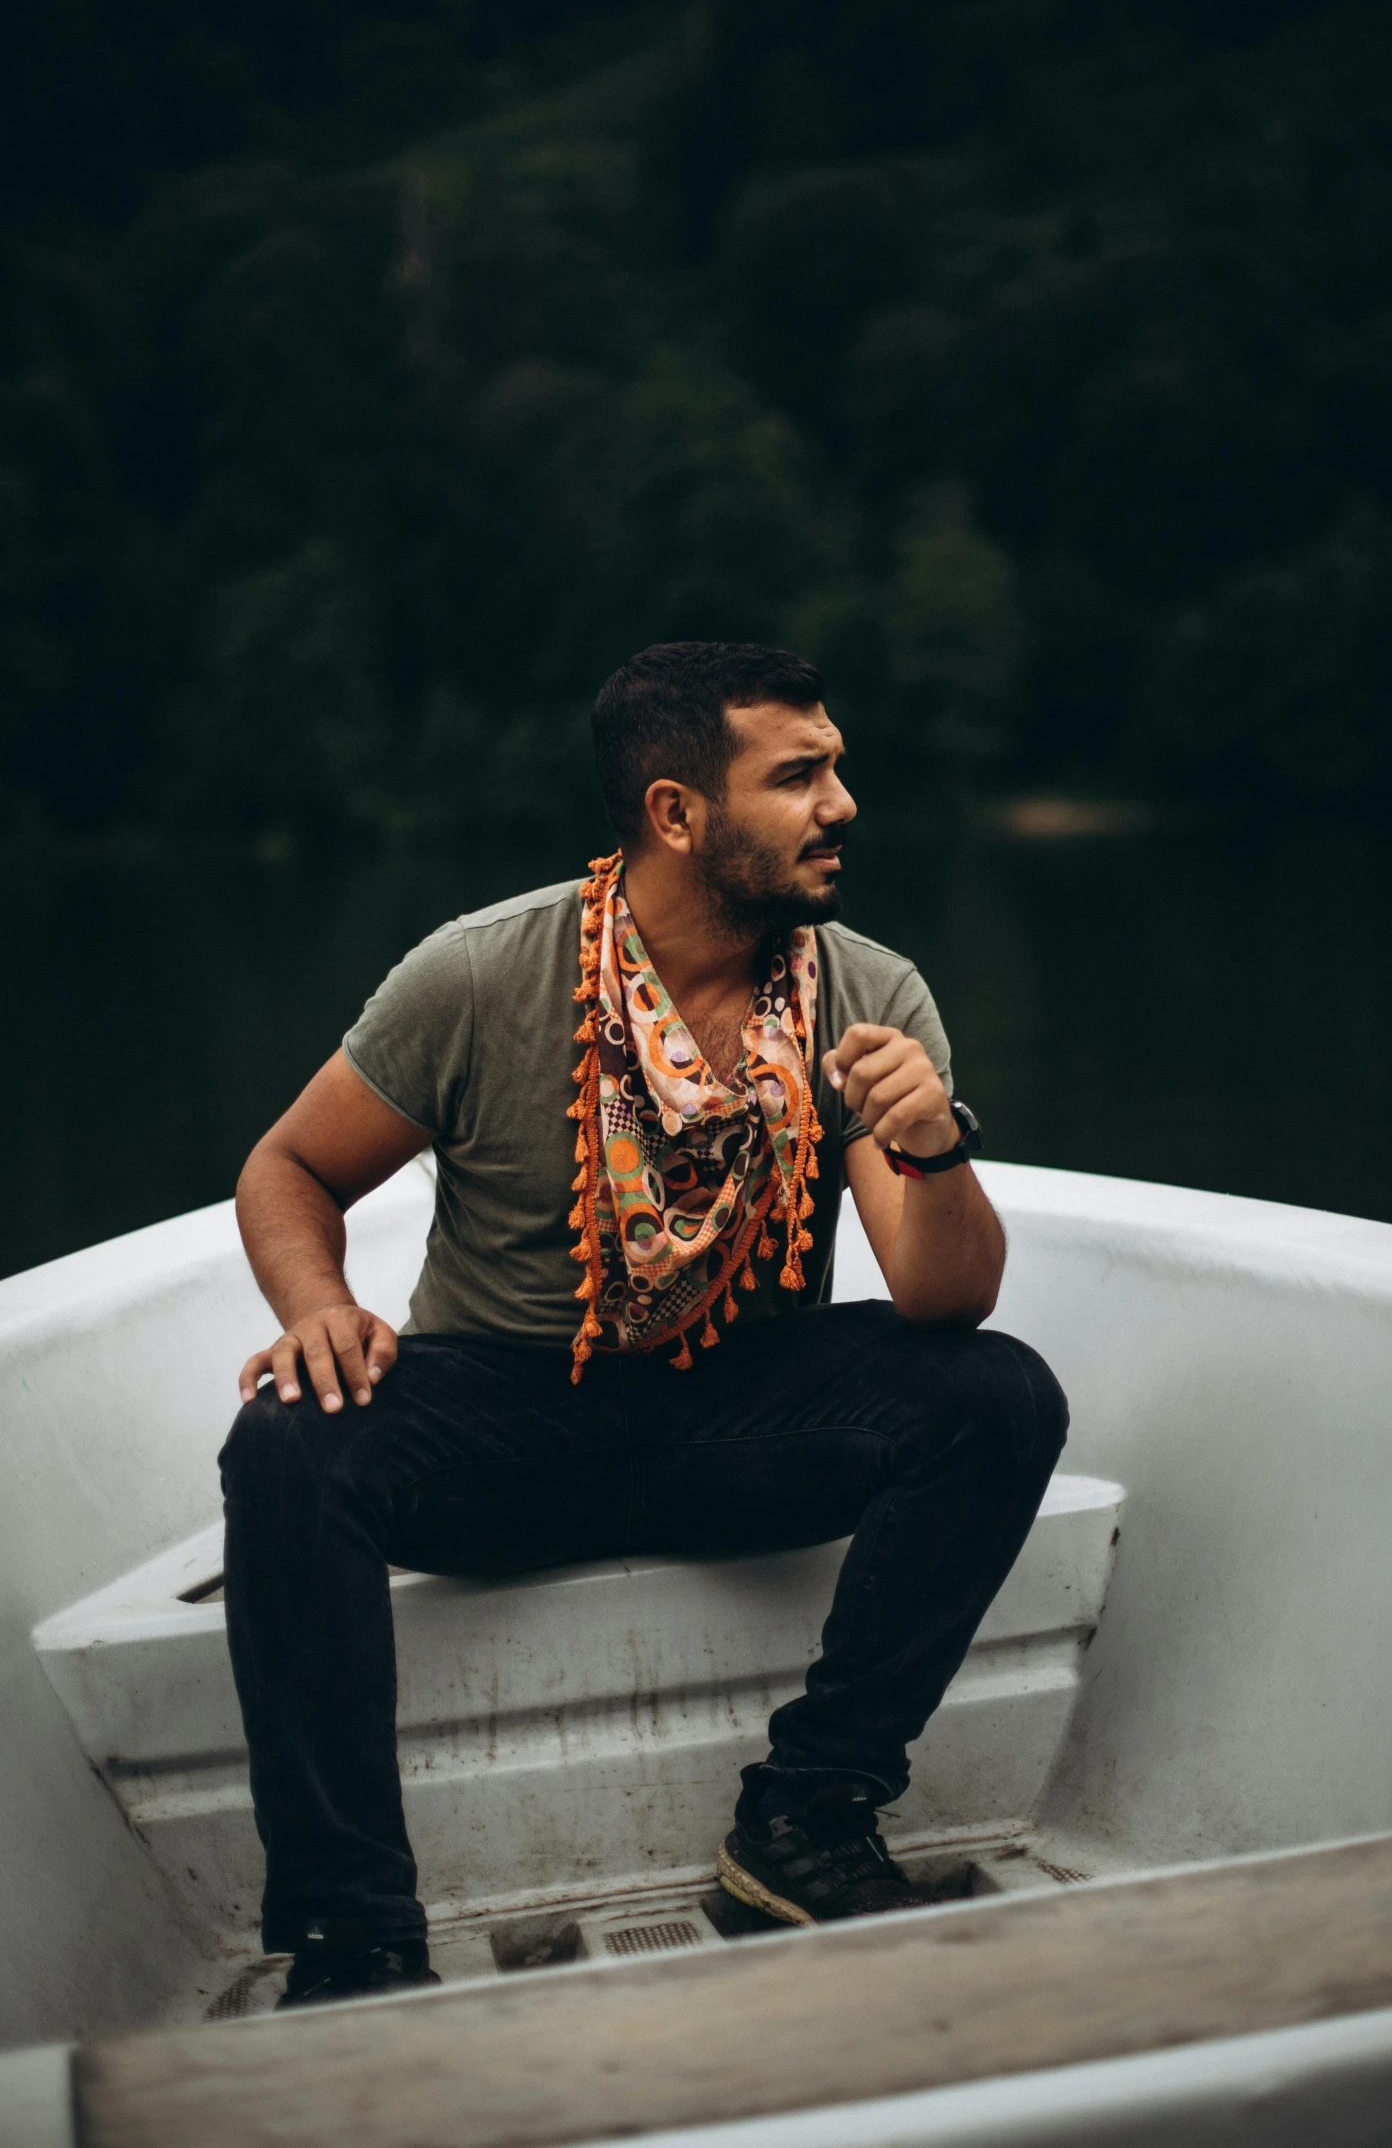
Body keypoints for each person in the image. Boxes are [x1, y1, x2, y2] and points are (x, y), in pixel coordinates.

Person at [221, 641, 1068, 2005]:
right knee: (286, 1440)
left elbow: (938, 1296)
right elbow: (288, 1165)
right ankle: (353, 1931)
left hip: (744, 1414)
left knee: (997, 1391)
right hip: (507, 1412)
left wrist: (932, 1143)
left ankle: (803, 1819)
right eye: (797, 776)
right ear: (676, 812)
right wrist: (319, 1309)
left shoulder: (867, 988)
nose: (842, 803)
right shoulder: (479, 972)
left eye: (836, 769)